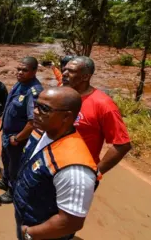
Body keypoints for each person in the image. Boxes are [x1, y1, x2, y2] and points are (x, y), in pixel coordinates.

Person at [14, 87, 99, 240]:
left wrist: (30, 233)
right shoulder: (40, 130)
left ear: (66, 117)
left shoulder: (75, 168)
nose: (36, 112)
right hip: (26, 217)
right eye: (36, 105)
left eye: (44, 109)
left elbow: (70, 222)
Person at [63, 56, 131, 174]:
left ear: (85, 77)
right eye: (65, 69)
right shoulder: (61, 95)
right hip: (52, 164)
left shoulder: (103, 104)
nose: (64, 73)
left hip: (78, 172)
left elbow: (122, 145)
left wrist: (95, 173)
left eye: (71, 71)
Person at [0, 56, 44, 204]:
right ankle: (5, 181)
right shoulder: (20, 84)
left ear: (34, 71)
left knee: (15, 167)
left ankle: (13, 192)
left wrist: (18, 138)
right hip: (8, 134)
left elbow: (33, 121)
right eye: (18, 69)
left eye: (24, 70)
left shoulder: (34, 91)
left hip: (18, 138)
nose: (20, 72)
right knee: (6, 161)